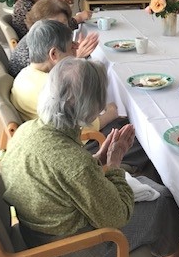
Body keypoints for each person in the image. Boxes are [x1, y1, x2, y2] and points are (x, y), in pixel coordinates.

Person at [1, 56, 179, 257]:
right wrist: (114, 164)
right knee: (164, 201)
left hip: (35, 233)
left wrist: (98, 159)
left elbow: (61, 177)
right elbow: (116, 215)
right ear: (88, 105)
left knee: (145, 185)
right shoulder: (74, 163)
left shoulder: (28, 130)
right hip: (71, 250)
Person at [11, 20, 152, 174]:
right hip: (76, 143)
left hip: (52, 140)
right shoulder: (51, 86)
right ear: (54, 54)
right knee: (142, 141)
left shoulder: (24, 74)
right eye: (71, 46)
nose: (77, 47)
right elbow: (84, 123)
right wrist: (111, 113)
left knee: (125, 129)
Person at [9, 0, 99, 78]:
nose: (62, 30)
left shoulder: (44, 36)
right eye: (55, 25)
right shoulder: (30, 52)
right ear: (42, 25)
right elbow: (58, 81)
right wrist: (76, 58)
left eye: (65, 24)